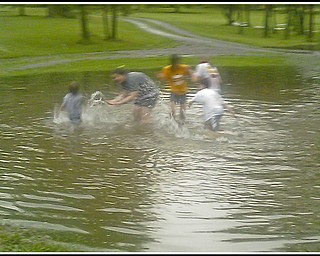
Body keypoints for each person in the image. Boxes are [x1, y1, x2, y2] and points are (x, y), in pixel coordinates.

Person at [158, 54, 194, 123]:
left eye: (178, 63)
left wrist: (192, 75)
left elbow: (190, 72)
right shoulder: (167, 69)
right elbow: (163, 81)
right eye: (175, 63)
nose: (176, 65)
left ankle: (182, 125)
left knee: (182, 112)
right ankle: (171, 123)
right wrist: (161, 77)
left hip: (183, 92)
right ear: (172, 63)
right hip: (174, 92)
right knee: (173, 110)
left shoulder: (183, 68)